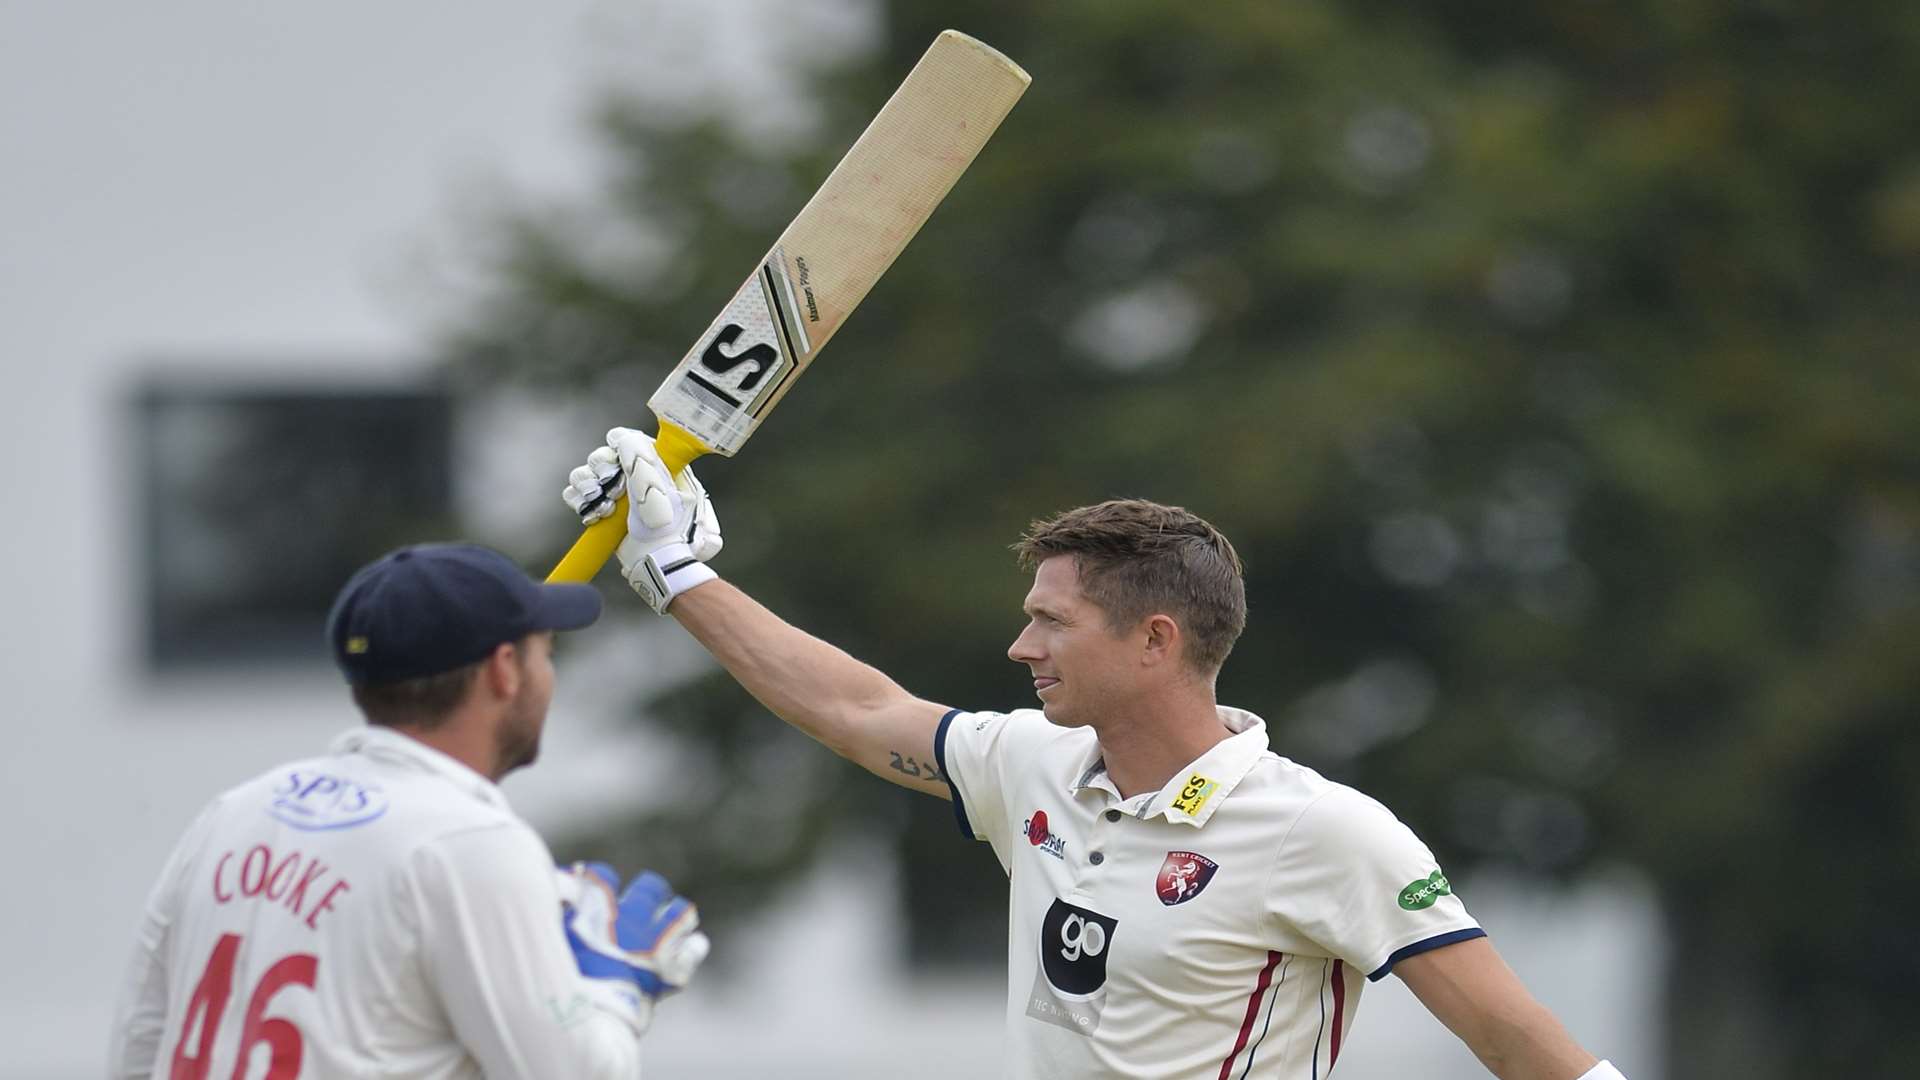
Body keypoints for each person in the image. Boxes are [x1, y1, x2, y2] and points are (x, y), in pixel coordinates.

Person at [564, 428, 1631, 1080]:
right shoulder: (1030, 764)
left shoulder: (1324, 832)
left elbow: (1513, 1039)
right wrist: (676, 574)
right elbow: (854, 707)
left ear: (1154, 642)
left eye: (1051, 623)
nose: (1022, 646)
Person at [107, 542, 710, 1079]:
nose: (547, 678)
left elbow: (140, 1048)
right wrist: (613, 986)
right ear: (504, 672)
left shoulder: (235, 812)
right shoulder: (468, 842)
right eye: (543, 654)